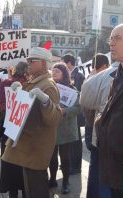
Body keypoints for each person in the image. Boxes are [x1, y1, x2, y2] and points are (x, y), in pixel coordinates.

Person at [2, 47, 62, 198]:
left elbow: (54, 118)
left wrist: (46, 102)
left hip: (36, 146)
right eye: (28, 60)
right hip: (29, 144)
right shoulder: (36, 81)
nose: (28, 63)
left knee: (36, 189)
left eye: (32, 61)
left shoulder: (48, 85)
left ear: (43, 63)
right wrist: (17, 94)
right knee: (29, 188)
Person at [95, 23, 123, 197]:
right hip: (112, 162)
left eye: (117, 38)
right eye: (111, 38)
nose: (111, 43)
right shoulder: (117, 76)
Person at [80, 53, 114, 198]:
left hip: (99, 135)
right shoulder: (106, 77)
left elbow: (84, 103)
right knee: (101, 176)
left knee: (98, 175)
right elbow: (85, 105)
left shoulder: (98, 78)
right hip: (100, 135)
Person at [0, 62, 28, 198]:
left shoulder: (5, 83)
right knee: (25, 163)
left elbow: (1, 107)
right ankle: (26, 192)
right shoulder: (31, 83)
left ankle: (12, 193)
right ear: (26, 71)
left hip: (10, 127)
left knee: (10, 162)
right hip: (26, 130)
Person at [49, 62, 81, 194]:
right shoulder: (49, 87)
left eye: (57, 71)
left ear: (64, 73)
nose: (54, 72)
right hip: (51, 128)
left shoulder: (72, 90)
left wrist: (65, 111)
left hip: (66, 128)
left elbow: (78, 108)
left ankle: (66, 181)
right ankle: (52, 179)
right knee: (51, 157)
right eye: (53, 70)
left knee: (65, 157)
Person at [61, 53, 85, 174]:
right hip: (66, 113)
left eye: (63, 63)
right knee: (70, 142)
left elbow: (78, 94)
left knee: (76, 141)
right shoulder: (69, 75)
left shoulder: (79, 75)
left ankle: (76, 166)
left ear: (69, 63)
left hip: (75, 113)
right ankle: (68, 163)